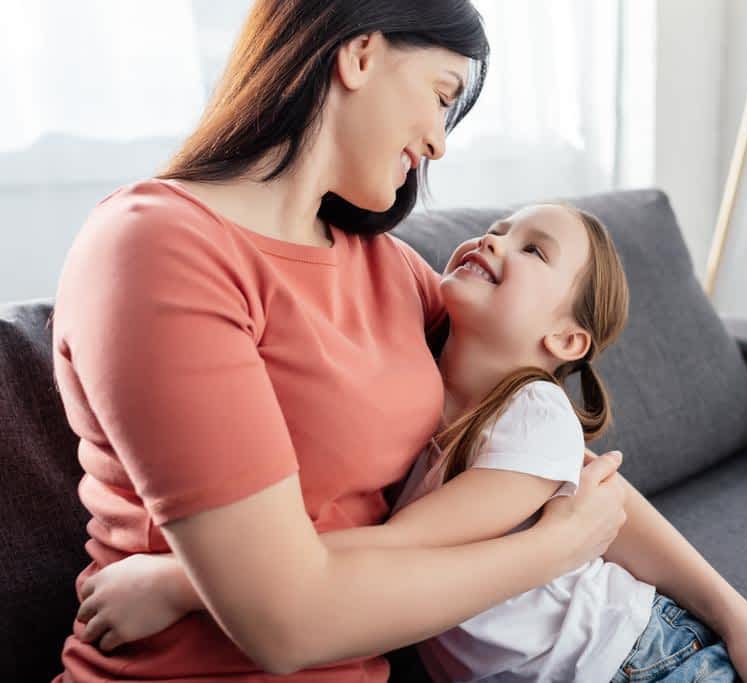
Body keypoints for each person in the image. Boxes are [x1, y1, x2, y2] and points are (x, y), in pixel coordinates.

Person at [51, 2, 629, 681]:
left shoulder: (391, 270)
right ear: (360, 55)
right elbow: (286, 626)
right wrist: (552, 551)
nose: (440, 143)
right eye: (443, 96)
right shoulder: (159, 247)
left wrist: (740, 623)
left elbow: (546, 448)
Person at [74, 205, 747, 683]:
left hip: (640, 661)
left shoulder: (535, 416)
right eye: (500, 228)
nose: (496, 239)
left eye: (533, 250)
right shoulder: (412, 373)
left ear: (564, 339)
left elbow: (402, 548)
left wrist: (182, 580)